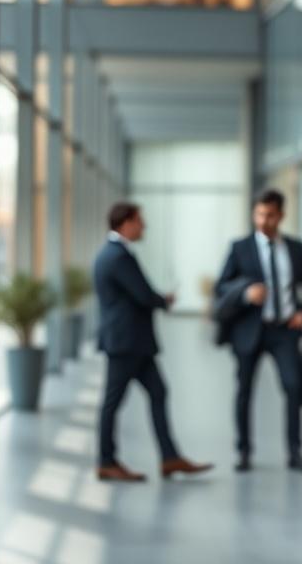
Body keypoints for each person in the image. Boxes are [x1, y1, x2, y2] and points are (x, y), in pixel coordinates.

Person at [94, 202, 212, 482]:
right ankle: (107, 461)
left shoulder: (112, 254)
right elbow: (143, 295)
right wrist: (163, 300)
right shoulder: (118, 256)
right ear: (125, 224)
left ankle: (170, 458)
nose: (143, 226)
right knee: (112, 402)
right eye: (139, 221)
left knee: (158, 392)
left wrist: (158, 299)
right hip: (126, 344)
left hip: (133, 343)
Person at [215, 189, 302, 473]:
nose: (263, 220)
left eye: (269, 215)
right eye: (259, 214)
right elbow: (221, 285)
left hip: (285, 331)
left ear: (281, 216)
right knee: (244, 391)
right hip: (249, 330)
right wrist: (246, 293)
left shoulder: (296, 248)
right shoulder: (240, 247)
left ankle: (295, 453)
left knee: (294, 387)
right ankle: (243, 451)